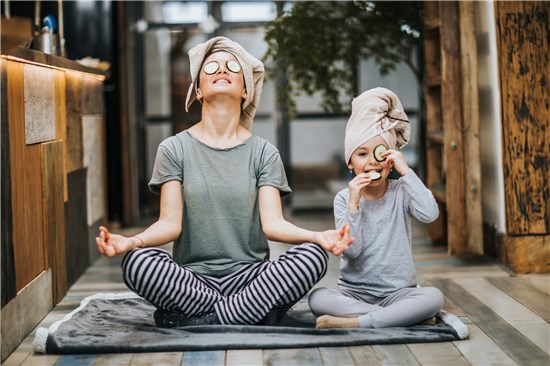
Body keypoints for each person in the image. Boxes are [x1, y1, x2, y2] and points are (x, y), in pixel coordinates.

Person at [96, 36, 353, 328]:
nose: (222, 70)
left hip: (251, 279)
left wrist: (317, 236)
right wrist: (132, 241)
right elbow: (170, 223)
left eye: (232, 66)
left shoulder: (263, 152)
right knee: (137, 262)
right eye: (211, 68)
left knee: (313, 256)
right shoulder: (174, 149)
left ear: (246, 90)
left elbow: (273, 225)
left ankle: (203, 318)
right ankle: (246, 313)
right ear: (198, 90)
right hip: (191, 281)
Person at [308, 87, 450, 330]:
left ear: (390, 160)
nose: (372, 161)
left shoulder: (401, 191)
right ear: (350, 164)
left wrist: (406, 171)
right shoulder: (344, 198)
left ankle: (361, 321)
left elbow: (430, 213)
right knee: (318, 298)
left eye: (380, 153)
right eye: (362, 154)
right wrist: (354, 205)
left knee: (434, 297)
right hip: (354, 292)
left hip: (399, 292)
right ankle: (401, 317)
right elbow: (352, 252)